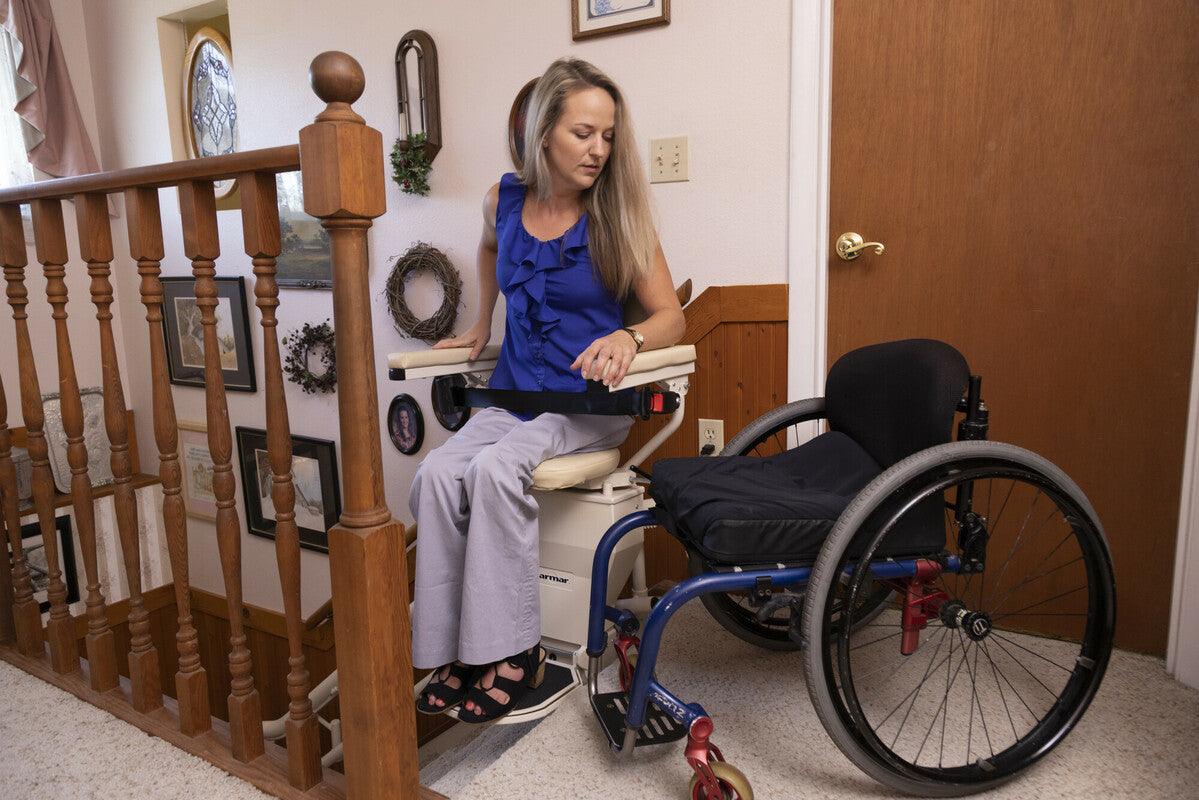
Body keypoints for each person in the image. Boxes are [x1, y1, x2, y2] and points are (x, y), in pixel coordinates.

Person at [409, 56, 685, 724]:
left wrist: (630, 338)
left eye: (607, 136)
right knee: (437, 474)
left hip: (587, 405)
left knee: (496, 469)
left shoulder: (617, 216)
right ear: (543, 134)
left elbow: (670, 316)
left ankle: (514, 650)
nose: (598, 150)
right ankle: (453, 650)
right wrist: (481, 322)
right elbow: (487, 248)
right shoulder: (501, 200)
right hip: (513, 395)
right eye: (583, 133)